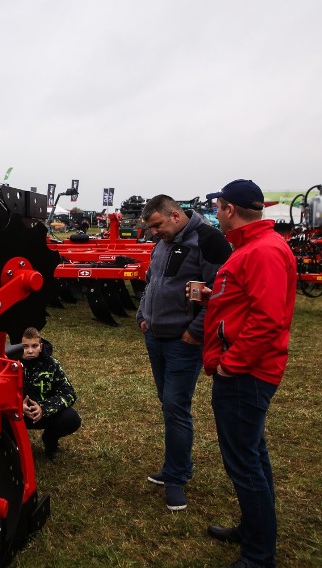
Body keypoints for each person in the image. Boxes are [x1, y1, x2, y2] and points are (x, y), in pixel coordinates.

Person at [197, 180, 296, 568]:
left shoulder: (261, 251)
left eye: (218, 209)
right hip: (248, 370)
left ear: (227, 209)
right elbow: (249, 302)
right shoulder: (256, 248)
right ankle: (254, 529)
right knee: (252, 454)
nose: (216, 215)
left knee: (244, 462)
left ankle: (258, 555)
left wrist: (231, 363)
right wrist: (212, 296)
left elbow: (268, 319)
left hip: (246, 374)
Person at [136, 194, 232, 511]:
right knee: (168, 402)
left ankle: (176, 476)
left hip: (182, 341)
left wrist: (196, 330)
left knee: (176, 406)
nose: (153, 233)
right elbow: (153, 280)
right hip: (156, 335)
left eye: (157, 225)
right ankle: (178, 467)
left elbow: (222, 290)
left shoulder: (209, 240)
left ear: (175, 215)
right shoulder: (164, 241)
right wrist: (142, 315)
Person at [19, 327, 81, 460]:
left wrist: (43, 408)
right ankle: (10, 447)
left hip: (44, 414)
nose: (30, 351)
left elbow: (69, 394)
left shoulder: (52, 365)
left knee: (72, 418)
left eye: (34, 346)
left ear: (41, 346)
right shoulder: (10, 364)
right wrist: (17, 406)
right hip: (17, 414)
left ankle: (50, 440)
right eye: (25, 347)